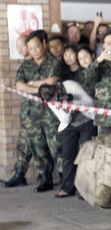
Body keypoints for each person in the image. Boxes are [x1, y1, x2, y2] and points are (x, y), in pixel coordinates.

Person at [7, 30, 62, 192]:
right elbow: (19, 86)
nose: (35, 51)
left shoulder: (54, 63)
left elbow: (51, 82)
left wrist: (30, 84)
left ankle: (66, 179)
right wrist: (39, 85)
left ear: (44, 44)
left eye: (37, 47)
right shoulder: (26, 65)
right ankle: (45, 178)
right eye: (31, 49)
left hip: (51, 114)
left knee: (56, 146)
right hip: (31, 114)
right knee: (37, 147)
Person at [41, 81, 97, 198]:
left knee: (85, 153)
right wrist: (66, 110)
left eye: (55, 96)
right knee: (67, 155)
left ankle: (86, 189)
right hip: (69, 125)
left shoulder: (70, 86)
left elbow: (91, 103)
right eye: (51, 100)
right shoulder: (49, 100)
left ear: (56, 89)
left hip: (87, 120)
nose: (54, 100)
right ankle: (67, 187)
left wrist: (74, 103)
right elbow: (65, 119)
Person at [1, 35, 33, 188]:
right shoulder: (25, 64)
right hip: (27, 112)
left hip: (42, 114)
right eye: (17, 46)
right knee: (23, 142)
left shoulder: (38, 64)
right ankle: (20, 174)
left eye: (22, 45)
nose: (20, 49)